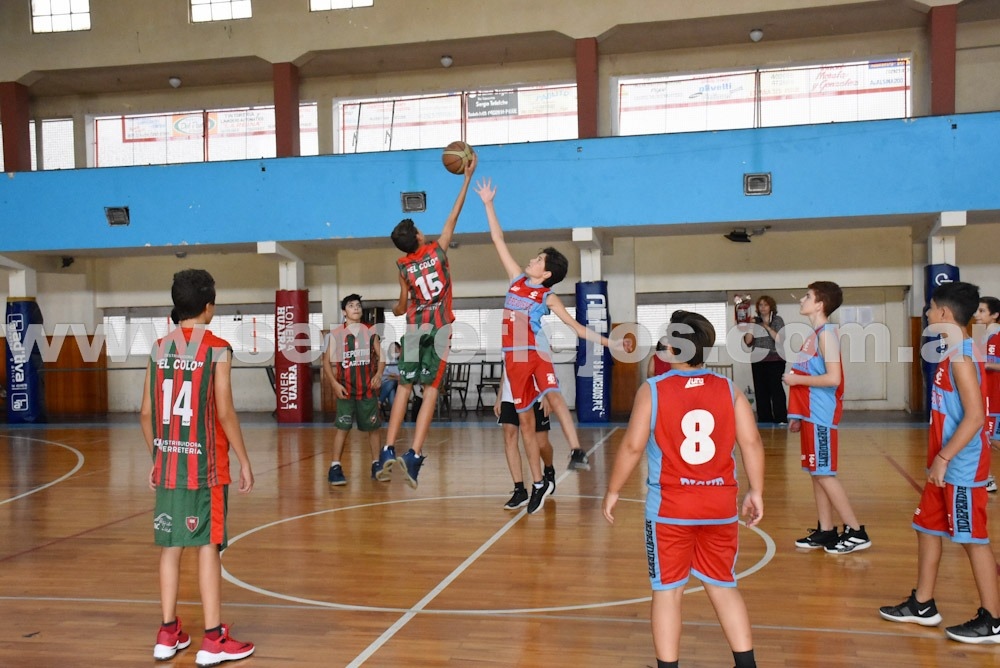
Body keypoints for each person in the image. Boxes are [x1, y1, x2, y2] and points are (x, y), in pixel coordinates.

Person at [603, 309, 764, 668]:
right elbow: (751, 443)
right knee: (723, 586)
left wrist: (613, 490)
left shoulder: (654, 390)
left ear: (673, 350)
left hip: (670, 510)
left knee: (668, 592)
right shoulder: (728, 388)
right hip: (719, 506)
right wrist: (757, 490)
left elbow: (631, 447)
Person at [475, 177, 627, 514]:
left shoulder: (548, 296)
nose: (531, 259)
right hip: (513, 362)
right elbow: (498, 239)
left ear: (546, 273)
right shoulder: (516, 280)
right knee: (521, 428)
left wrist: (608, 341)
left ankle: (562, 462)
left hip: (533, 357)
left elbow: (576, 328)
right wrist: (488, 204)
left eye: (538, 259)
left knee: (545, 412)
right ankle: (535, 484)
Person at [140, 269, 255, 666]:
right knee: (208, 547)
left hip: (169, 464)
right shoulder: (217, 349)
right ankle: (212, 639)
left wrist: (158, 457)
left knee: (171, 547)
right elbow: (224, 411)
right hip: (205, 468)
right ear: (209, 308)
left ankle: (167, 632)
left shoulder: (158, 348)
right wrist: (243, 460)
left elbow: (144, 414)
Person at [879, 281, 1000, 643]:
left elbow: (975, 417)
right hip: (943, 465)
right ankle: (923, 603)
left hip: (961, 466)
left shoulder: (962, 357)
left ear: (944, 314)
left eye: (931, 308)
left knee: (972, 539)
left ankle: (993, 619)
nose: (928, 314)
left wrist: (945, 458)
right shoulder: (951, 353)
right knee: (928, 527)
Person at [376, 150, 478, 488]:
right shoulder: (438, 250)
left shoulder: (403, 266)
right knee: (431, 391)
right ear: (419, 238)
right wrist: (466, 178)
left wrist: (395, 308)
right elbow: (454, 214)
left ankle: (388, 450)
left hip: (413, 328)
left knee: (404, 387)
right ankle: (414, 455)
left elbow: (402, 307)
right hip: (439, 329)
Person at [784, 281, 871, 554]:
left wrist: (795, 379)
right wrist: (797, 413)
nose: (802, 300)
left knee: (825, 474)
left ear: (820, 304)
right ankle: (826, 530)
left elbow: (833, 378)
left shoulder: (826, 335)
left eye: (807, 296)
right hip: (810, 414)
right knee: (816, 473)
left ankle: (856, 531)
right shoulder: (815, 334)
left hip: (821, 414)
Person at [321, 293, 384, 485]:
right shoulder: (336, 334)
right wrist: (334, 383)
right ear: (344, 311)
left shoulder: (370, 331)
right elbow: (326, 362)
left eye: (358, 305)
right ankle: (335, 467)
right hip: (346, 390)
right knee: (342, 428)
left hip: (367, 390)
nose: (356, 308)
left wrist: (379, 374)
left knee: (373, 429)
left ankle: (376, 465)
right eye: (351, 305)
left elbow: (382, 357)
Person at [495, 363, 556, 510]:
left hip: (535, 394)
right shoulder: (506, 340)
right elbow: (507, 367)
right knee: (509, 436)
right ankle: (519, 490)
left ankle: (548, 469)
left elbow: (547, 365)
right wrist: (500, 397)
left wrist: (549, 395)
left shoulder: (538, 339)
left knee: (541, 443)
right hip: (510, 396)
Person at [741, 295, 787, 424]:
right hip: (758, 359)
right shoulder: (755, 322)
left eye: (765, 305)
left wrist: (766, 326)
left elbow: (780, 339)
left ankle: (781, 417)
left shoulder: (777, 320)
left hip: (775, 359)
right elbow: (748, 341)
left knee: (775, 388)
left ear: (771, 306)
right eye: (760, 305)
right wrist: (751, 326)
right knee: (761, 390)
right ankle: (764, 418)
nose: (763, 308)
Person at [974, 296, 1000, 492]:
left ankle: (988, 479)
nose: (977, 315)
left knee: (991, 439)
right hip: (986, 396)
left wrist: (983, 364)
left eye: (982, 311)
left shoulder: (998, 336)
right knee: (985, 438)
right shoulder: (982, 336)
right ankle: (988, 478)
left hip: (996, 396)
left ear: (995, 315)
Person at [379, 341, 401, 418]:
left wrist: (391, 376)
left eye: (396, 349)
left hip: (398, 385)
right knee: (391, 385)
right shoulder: (387, 361)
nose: (394, 351)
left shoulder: (401, 362)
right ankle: (395, 417)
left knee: (391, 385)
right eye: (392, 349)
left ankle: (379, 402)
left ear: (400, 349)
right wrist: (392, 376)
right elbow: (383, 374)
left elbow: (400, 376)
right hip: (384, 384)